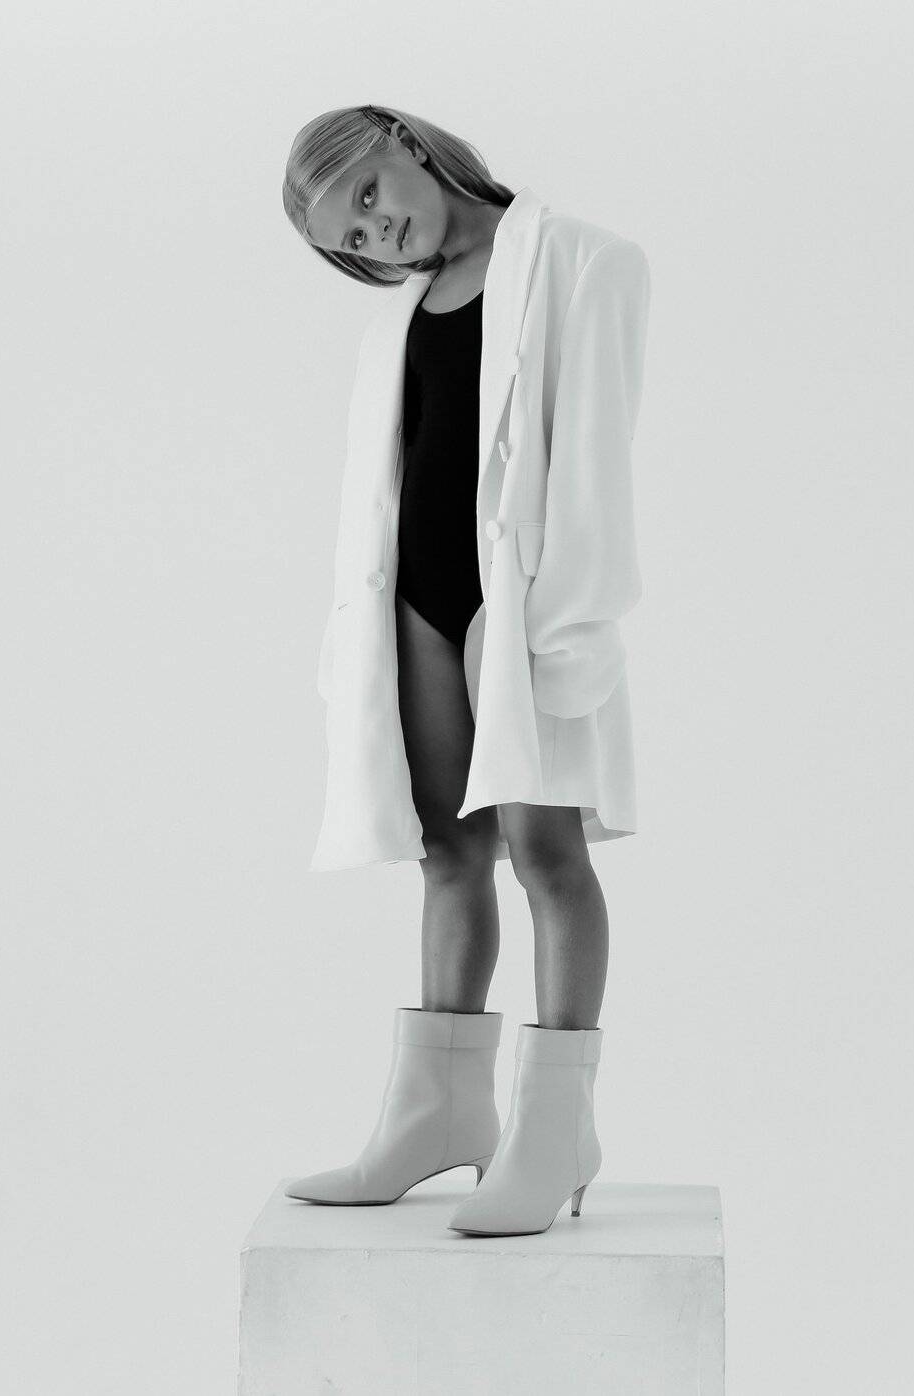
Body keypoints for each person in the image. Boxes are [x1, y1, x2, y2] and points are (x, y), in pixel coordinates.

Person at [279, 103, 652, 1236]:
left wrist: (558, 627)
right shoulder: (394, 322)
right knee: (447, 856)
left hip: (522, 603)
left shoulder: (585, 261)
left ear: (403, 141)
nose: (375, 234)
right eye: (351, 239)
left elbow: (594, 469)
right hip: (417, 606)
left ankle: (557, 1129)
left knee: (546, 854)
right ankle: (438, 1112)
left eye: (367, 196)